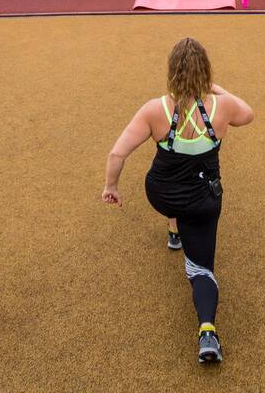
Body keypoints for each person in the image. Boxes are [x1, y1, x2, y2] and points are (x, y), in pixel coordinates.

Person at [102, 37, 255, 364]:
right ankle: (207, 331)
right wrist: (219, 89)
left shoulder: (153, 110)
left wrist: (110, 186)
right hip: (203, 201)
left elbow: (117, 153)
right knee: (201, 268)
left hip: (162, 193)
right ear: (206, 73)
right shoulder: (222, 107)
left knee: (175, 199)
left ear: (172, 71)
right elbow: (248, 115)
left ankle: (174, 232)